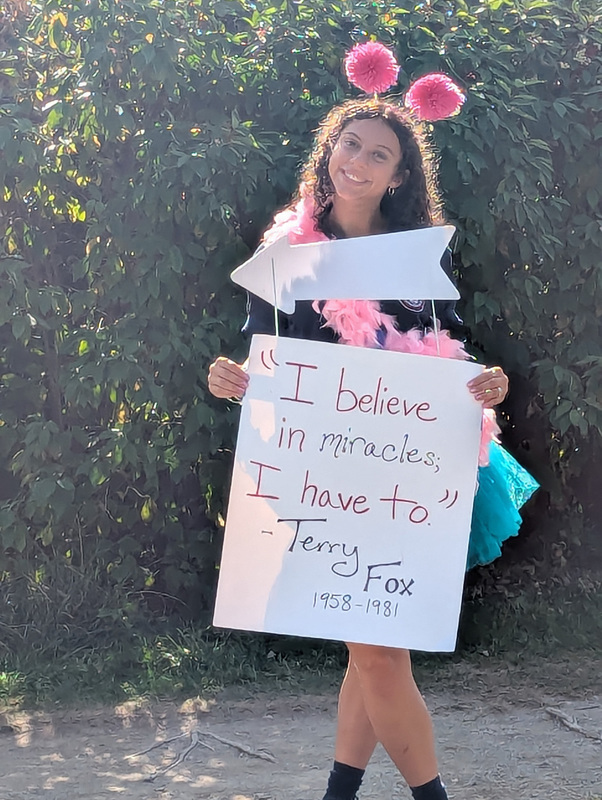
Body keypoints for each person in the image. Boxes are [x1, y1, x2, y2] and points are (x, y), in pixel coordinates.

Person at [208, 51, 536, 800]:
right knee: (381, 650)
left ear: (399, 175)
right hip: (321, 477)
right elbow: (265, 363)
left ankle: (340, 792)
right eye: (349, 145)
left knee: (378, 650)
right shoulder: (284, 256)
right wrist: (228, 378)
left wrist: (489, 383)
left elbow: (446, 352)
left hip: (406, 474)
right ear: (330, 150)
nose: (357, 161)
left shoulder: (415, 257)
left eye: (378, 153)